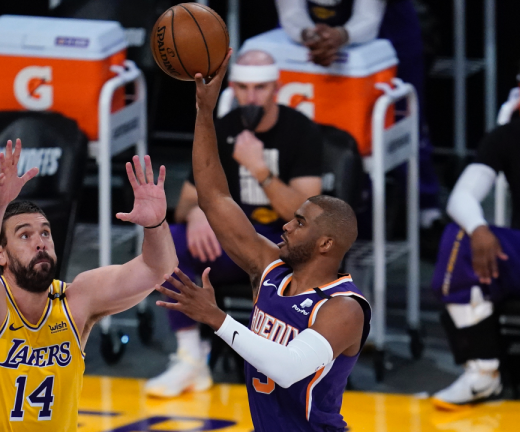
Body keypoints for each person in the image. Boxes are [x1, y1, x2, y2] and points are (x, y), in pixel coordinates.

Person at [155, 50, 371, 432]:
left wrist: (216, 318)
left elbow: (287, 369)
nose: (286, 226)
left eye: (299, 223)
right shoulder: (269, 270)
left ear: (325, 244)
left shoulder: (344, 309)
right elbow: (214, 197)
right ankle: (189, 361)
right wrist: (204, 113)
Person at [0, 140, 177, 431]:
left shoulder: (76, 300)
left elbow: (158, 269)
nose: (40, 242)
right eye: (25, 235)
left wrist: (156, 225)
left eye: (45, 233)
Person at [145, 49, 324, 398]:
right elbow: (185, 201)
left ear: (276, 88)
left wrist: (259, 169)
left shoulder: (301, 131)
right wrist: (198, 212)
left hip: (283, 247)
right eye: (242, 87)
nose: (251, 97)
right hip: (233, 242)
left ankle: (291, 364)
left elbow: (309, 217)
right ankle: (190, 358)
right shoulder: (224, 128)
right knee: (169, 241)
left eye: (260, 88)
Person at [275, 0, 442, 228]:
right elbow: (291, 12)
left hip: (387, 24)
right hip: (309, 29)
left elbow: (369, 18)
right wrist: (309, 36)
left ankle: (424, 206)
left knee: (401, 114)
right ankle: (353, 210)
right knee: (323, 117)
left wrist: (341, 36)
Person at [430, 51, 520, 409]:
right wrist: (479, 229)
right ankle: (483, 373)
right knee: (460, 236)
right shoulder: (511, 136)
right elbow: (461, 197)